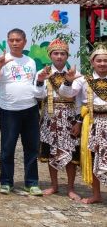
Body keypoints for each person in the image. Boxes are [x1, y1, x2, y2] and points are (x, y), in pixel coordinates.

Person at [0, 28, 42, 196]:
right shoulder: (2, 60)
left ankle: (31, 182)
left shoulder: (30, 61)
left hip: (31, 110)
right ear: (7, 41)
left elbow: (33, 84)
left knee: (32, 148)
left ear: (24, 42)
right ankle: (6, 182)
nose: (14, 43)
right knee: (7, 148)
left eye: (18, 40)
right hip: (9, 111)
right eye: (11, 40)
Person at [59, 43, 107, 204]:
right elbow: (66, 94)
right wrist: (68, 81)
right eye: (99, 60)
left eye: (105, 61)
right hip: (91, 123)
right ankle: (96, 194)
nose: (102, 64)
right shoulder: (83, 80)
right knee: (93, 157)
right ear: (92, 62)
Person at [34, 38, 81, 200]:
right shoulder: (43, 74)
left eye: (62, 53)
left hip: (69, 117)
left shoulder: (77, 75)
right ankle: (54, 185)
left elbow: (74, 96)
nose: (59, 57)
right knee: (51, 151)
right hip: (50, 116)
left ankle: (70, 188)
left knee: (70, 152)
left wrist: (79, 121)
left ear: (67, 56)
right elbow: (38, 95)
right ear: (50, 55)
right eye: (56, 53)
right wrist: (40, 81)